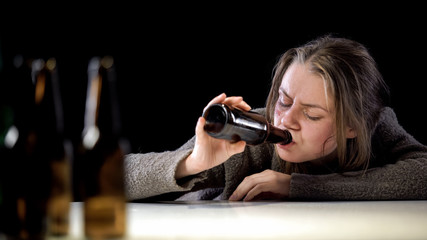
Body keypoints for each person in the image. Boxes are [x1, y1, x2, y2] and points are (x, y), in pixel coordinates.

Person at [124, 34, 427, 201]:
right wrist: (193, 163)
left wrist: (296, 185)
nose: (285, 120)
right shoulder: (250, 136)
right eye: (284, 101)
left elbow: (421, 173)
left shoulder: (376, 126)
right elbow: (108, 179)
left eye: (311, 113)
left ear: (352, 126)